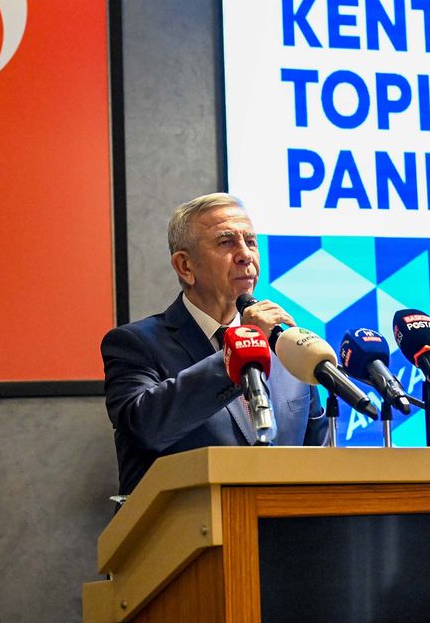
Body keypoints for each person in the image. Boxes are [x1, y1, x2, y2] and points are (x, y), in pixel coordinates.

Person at [102, 193, 327, 496]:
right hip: (185, 524)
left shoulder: (287, 347)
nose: (245, 255)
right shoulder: (136, 344)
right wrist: (241, 346)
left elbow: (319, 461)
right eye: (226, 242)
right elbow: (145, 428)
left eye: (251, 242)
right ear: (185, 266)